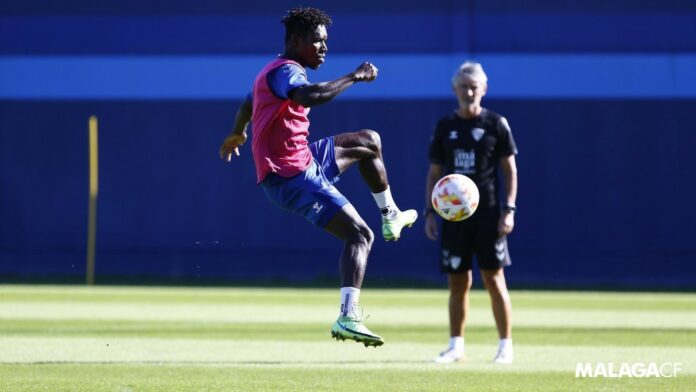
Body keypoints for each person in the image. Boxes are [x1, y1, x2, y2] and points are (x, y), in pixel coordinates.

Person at [219, 7, 417, 347]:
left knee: (368, 142)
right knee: (359, 236)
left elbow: (247, 103)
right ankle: (348, 316)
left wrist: (238, 132)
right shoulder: (286, 72)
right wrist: (354, 76)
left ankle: (391, 215)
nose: (324, 48)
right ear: (296, 41)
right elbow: (312, 96)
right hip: (289, 176)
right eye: (317, 41)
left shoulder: (271, 70)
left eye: (326, 42)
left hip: (303, 159)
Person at [424, 62, 518, 363]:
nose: (468, 92)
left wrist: (509, 209)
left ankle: (505, 346)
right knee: (457, 281)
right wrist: (430, 211)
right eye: (463, 86)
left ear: (484, 89)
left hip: (489, 214)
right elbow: (434, 171)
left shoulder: (496, 124)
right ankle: (456, 346)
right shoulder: (445, 126)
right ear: (455, 89)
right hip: (454, 218)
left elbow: (509, 170)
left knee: (494, 278)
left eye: (474, 86)